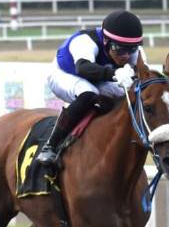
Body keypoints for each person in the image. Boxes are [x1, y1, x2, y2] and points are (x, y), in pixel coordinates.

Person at [36, 9, 145, 167]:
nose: (126, 56)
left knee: (129, 94)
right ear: (106, 41)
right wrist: (115, 73)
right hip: (65, 74)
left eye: (132, 49)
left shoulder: (132, 51)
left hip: (98, 78)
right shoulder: (85, 41)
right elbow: (83, 68)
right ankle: (51, 146)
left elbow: (144, 77)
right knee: (88, 93)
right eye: (120, 49)